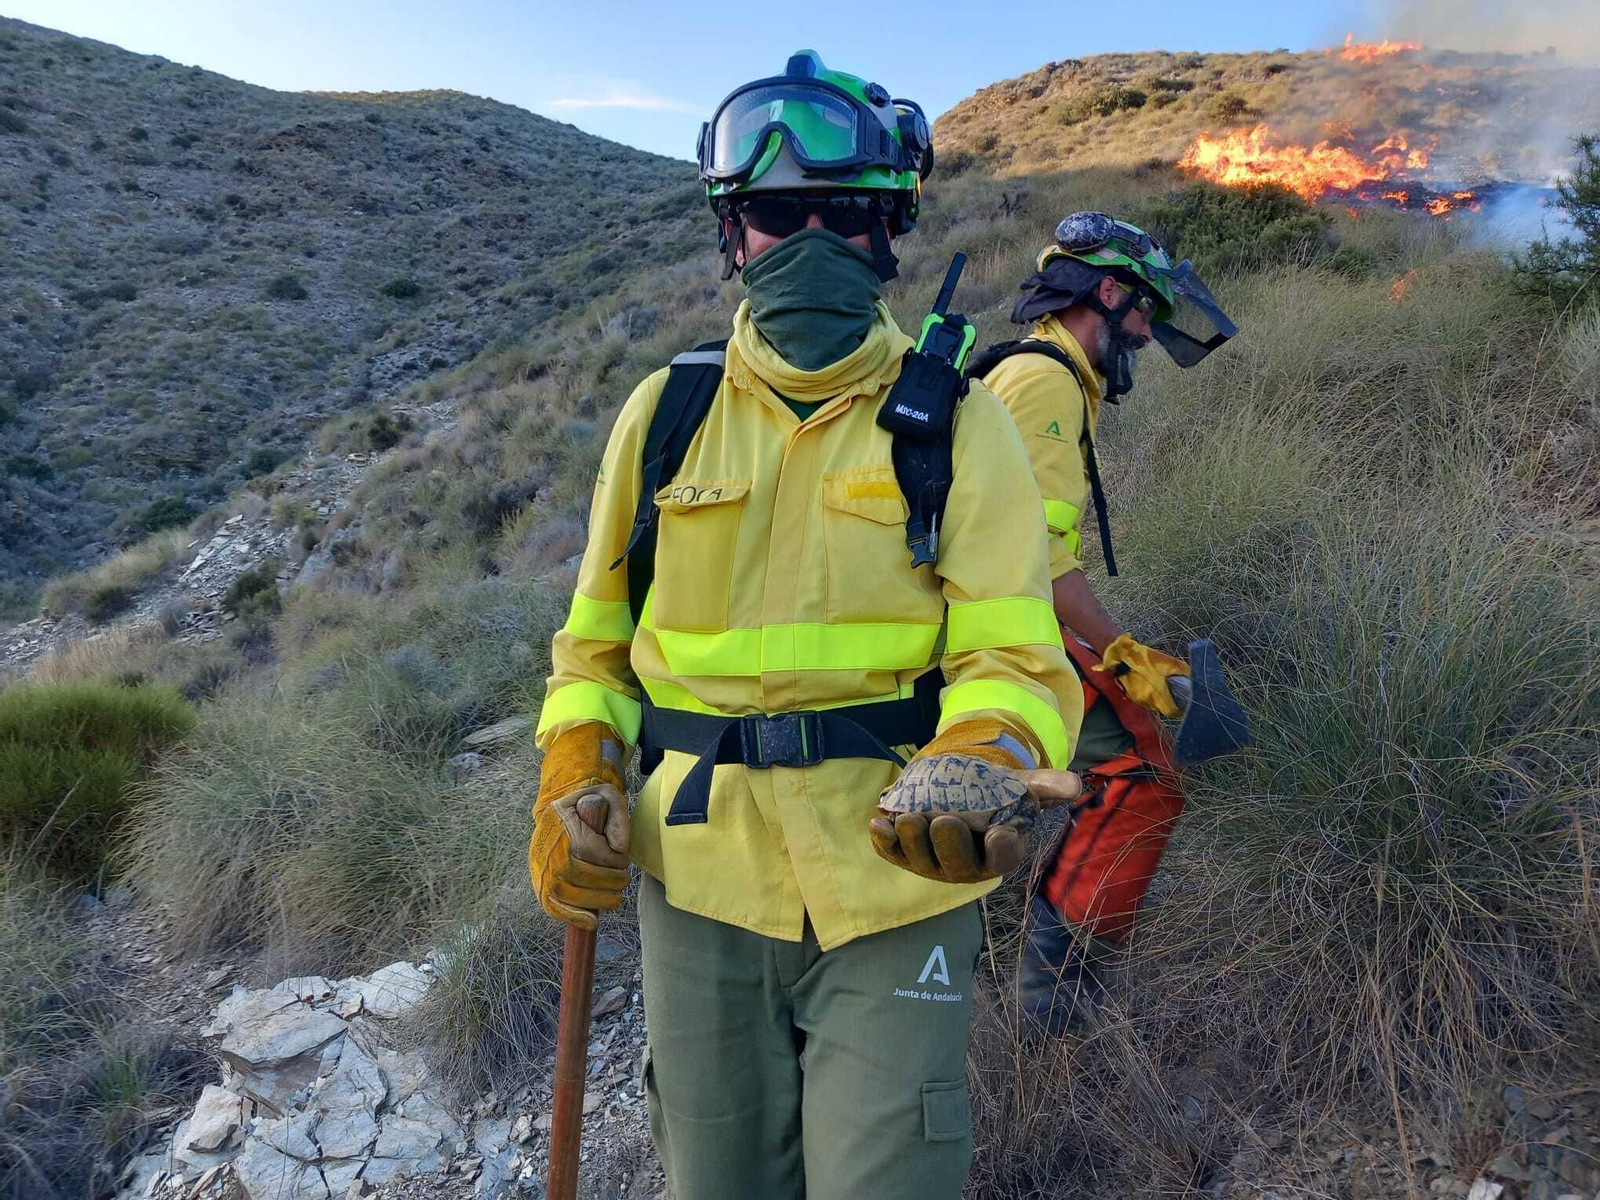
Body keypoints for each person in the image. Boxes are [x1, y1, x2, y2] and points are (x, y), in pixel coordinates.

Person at [527, 52, 1083, 1200]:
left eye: (845, 212)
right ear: (734, 233)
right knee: (716, 1176)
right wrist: (575, 763)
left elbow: (1017, 657)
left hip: (895, 876)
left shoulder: (961, 424)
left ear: (890, 229)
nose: (812, 238)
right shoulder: (666, 415)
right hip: (700, 881)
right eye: (781, 215)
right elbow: (593, 650)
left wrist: (987, 747)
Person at [973, 213, 1237, 1035]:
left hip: (990, 611)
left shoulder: (1037, 370)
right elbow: (1036, 558)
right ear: (1110, 293)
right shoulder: (1047, 379)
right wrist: (1120, 653)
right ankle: (1056, 1004)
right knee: (1143, 770)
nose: (1149, 335)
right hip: (993, 625)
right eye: (1146, 312)